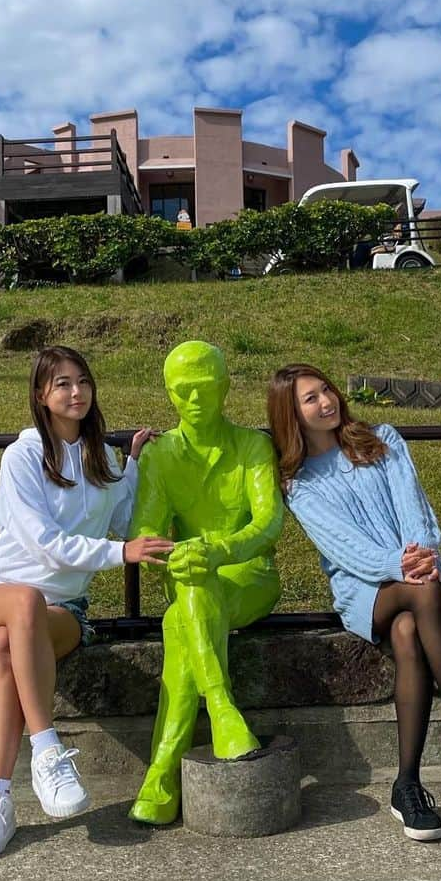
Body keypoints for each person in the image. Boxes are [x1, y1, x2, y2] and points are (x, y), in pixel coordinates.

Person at [267, 364, 441, 842]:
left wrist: (419, 554)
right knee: (420, 591)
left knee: (409, 632)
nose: (326, 401)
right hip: (364, 590)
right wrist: (400, 565)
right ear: (291, 414)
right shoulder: (299, 483)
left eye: (326, 389)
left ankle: (406, 785)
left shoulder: (381, 440)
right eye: (310, 399)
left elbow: (415, 507)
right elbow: (342, 548)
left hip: (418, 572)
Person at [0, 345, 171, 860]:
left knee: (7, 648)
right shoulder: (23, 455)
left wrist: (135, 463)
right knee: (20, 604)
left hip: (62, 611)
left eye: (82, 382)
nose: (76, 393)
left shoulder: (103, 457)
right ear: (41, 396)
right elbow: (42, 542)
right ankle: (47, 750)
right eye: (62, 385)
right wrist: (122, 553)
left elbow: (118, 521)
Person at [128, 341, 283, 826]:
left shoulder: (253, 447)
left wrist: (217, 549)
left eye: (207, 388)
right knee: (190, 603)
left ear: (225, 387)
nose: (196, 400)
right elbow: (144, 533)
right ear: (171, 394)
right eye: (184, 391)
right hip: (190, 576)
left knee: (186, 609)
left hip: (250, 577)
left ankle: (163, 773)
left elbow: (269, 524)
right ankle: (221, 714)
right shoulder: (160, 455)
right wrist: (176, 556)